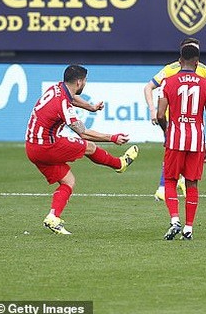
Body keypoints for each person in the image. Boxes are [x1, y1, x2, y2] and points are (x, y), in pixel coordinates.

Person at [25, 65, 139, 235]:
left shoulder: (57, 88)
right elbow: (83, 132)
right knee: (89, 146)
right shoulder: (62, 103)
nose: (85, 83)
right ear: (79, 82)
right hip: (46, 146)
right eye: (85, 81)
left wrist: (91, 107)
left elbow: (72, 98)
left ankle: (53, 217)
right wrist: (112, 138)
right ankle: (119, 164)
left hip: (32, 147)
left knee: (68, 181)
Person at [156, 42, 206, 240]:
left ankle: (174, 219)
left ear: (180, 61)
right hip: (197, 141)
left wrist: (167, 130)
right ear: (197, 62)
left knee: (171, 181)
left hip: (175, 139)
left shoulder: (168, 82)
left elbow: (159, 114)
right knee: (192, 183)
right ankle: (189, 228)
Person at [143, 37, 206, 201]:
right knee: (171, 154)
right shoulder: (170, 69)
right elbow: (148, 87)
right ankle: (163, 187)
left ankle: (176, 183)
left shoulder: (204, 70)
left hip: (193, 123)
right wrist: (153, 110)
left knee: (188, 157)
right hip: (172, 121)